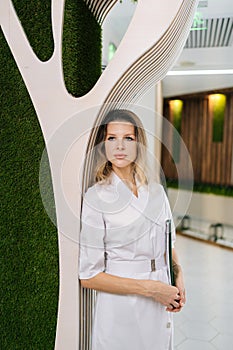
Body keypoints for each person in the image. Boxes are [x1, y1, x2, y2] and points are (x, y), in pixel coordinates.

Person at [79, 109, 185, 350]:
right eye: (111, 138)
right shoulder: (96, 197)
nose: (120, 146)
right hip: (121, 311)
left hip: (161, 302)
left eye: (128, 138)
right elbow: (89, 276)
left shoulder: (156, 191)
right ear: (102, 145)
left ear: (139, 144)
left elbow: (170, 245)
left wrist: (179, 278)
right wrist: (152, 289)